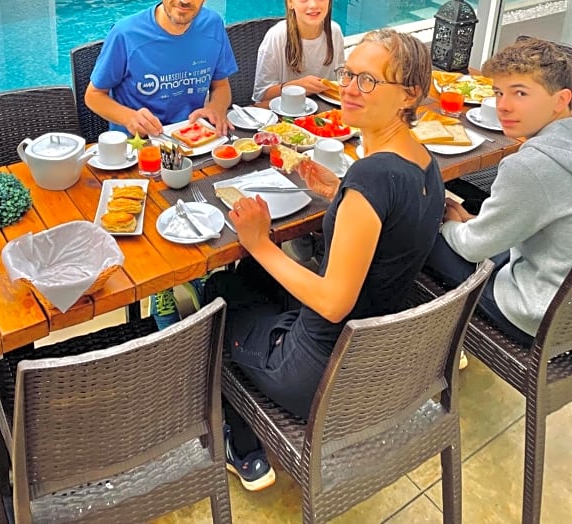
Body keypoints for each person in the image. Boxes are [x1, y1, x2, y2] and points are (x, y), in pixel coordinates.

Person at [204, 28, 444, 491]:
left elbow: (334, 303)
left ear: (409, 94)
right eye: (348, 74)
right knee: (250, 275)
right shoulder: (422, 161)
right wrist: (339, 194)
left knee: (219, 293)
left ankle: (239, 436)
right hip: (370, 352)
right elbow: (391, 229)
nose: (350, 89)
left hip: (318, 373)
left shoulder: (371, 178)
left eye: (369, 80)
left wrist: (259, 241)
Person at [85, 0, 238, 328]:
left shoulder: (213, 26)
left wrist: (217, 109)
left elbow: (222, 87)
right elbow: (93, 96)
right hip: (140, 158)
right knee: (155, 238)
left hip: (196, 150)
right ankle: (165, 290)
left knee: (219, 219)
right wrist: (129, 116)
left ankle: (199, 277)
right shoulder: (126, 34)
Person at [426, 37, 572, 346]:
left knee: (417, 234)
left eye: (520, 93)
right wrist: (474, 224)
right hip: (563, 301)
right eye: (498, 92)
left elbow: (472, 248)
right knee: (471, 213)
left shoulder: (532, 166)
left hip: (536, 316)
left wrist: (451, 226)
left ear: (561, 100)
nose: (503, 105)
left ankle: (413, 343)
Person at [252, 0, 345, 107]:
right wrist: (296, 87)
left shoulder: (335, 32)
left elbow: (338, 83)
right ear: (290, 1)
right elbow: (261, 95)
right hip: (285, 113)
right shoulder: (277, 37)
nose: (313, 5)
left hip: (324, 112)